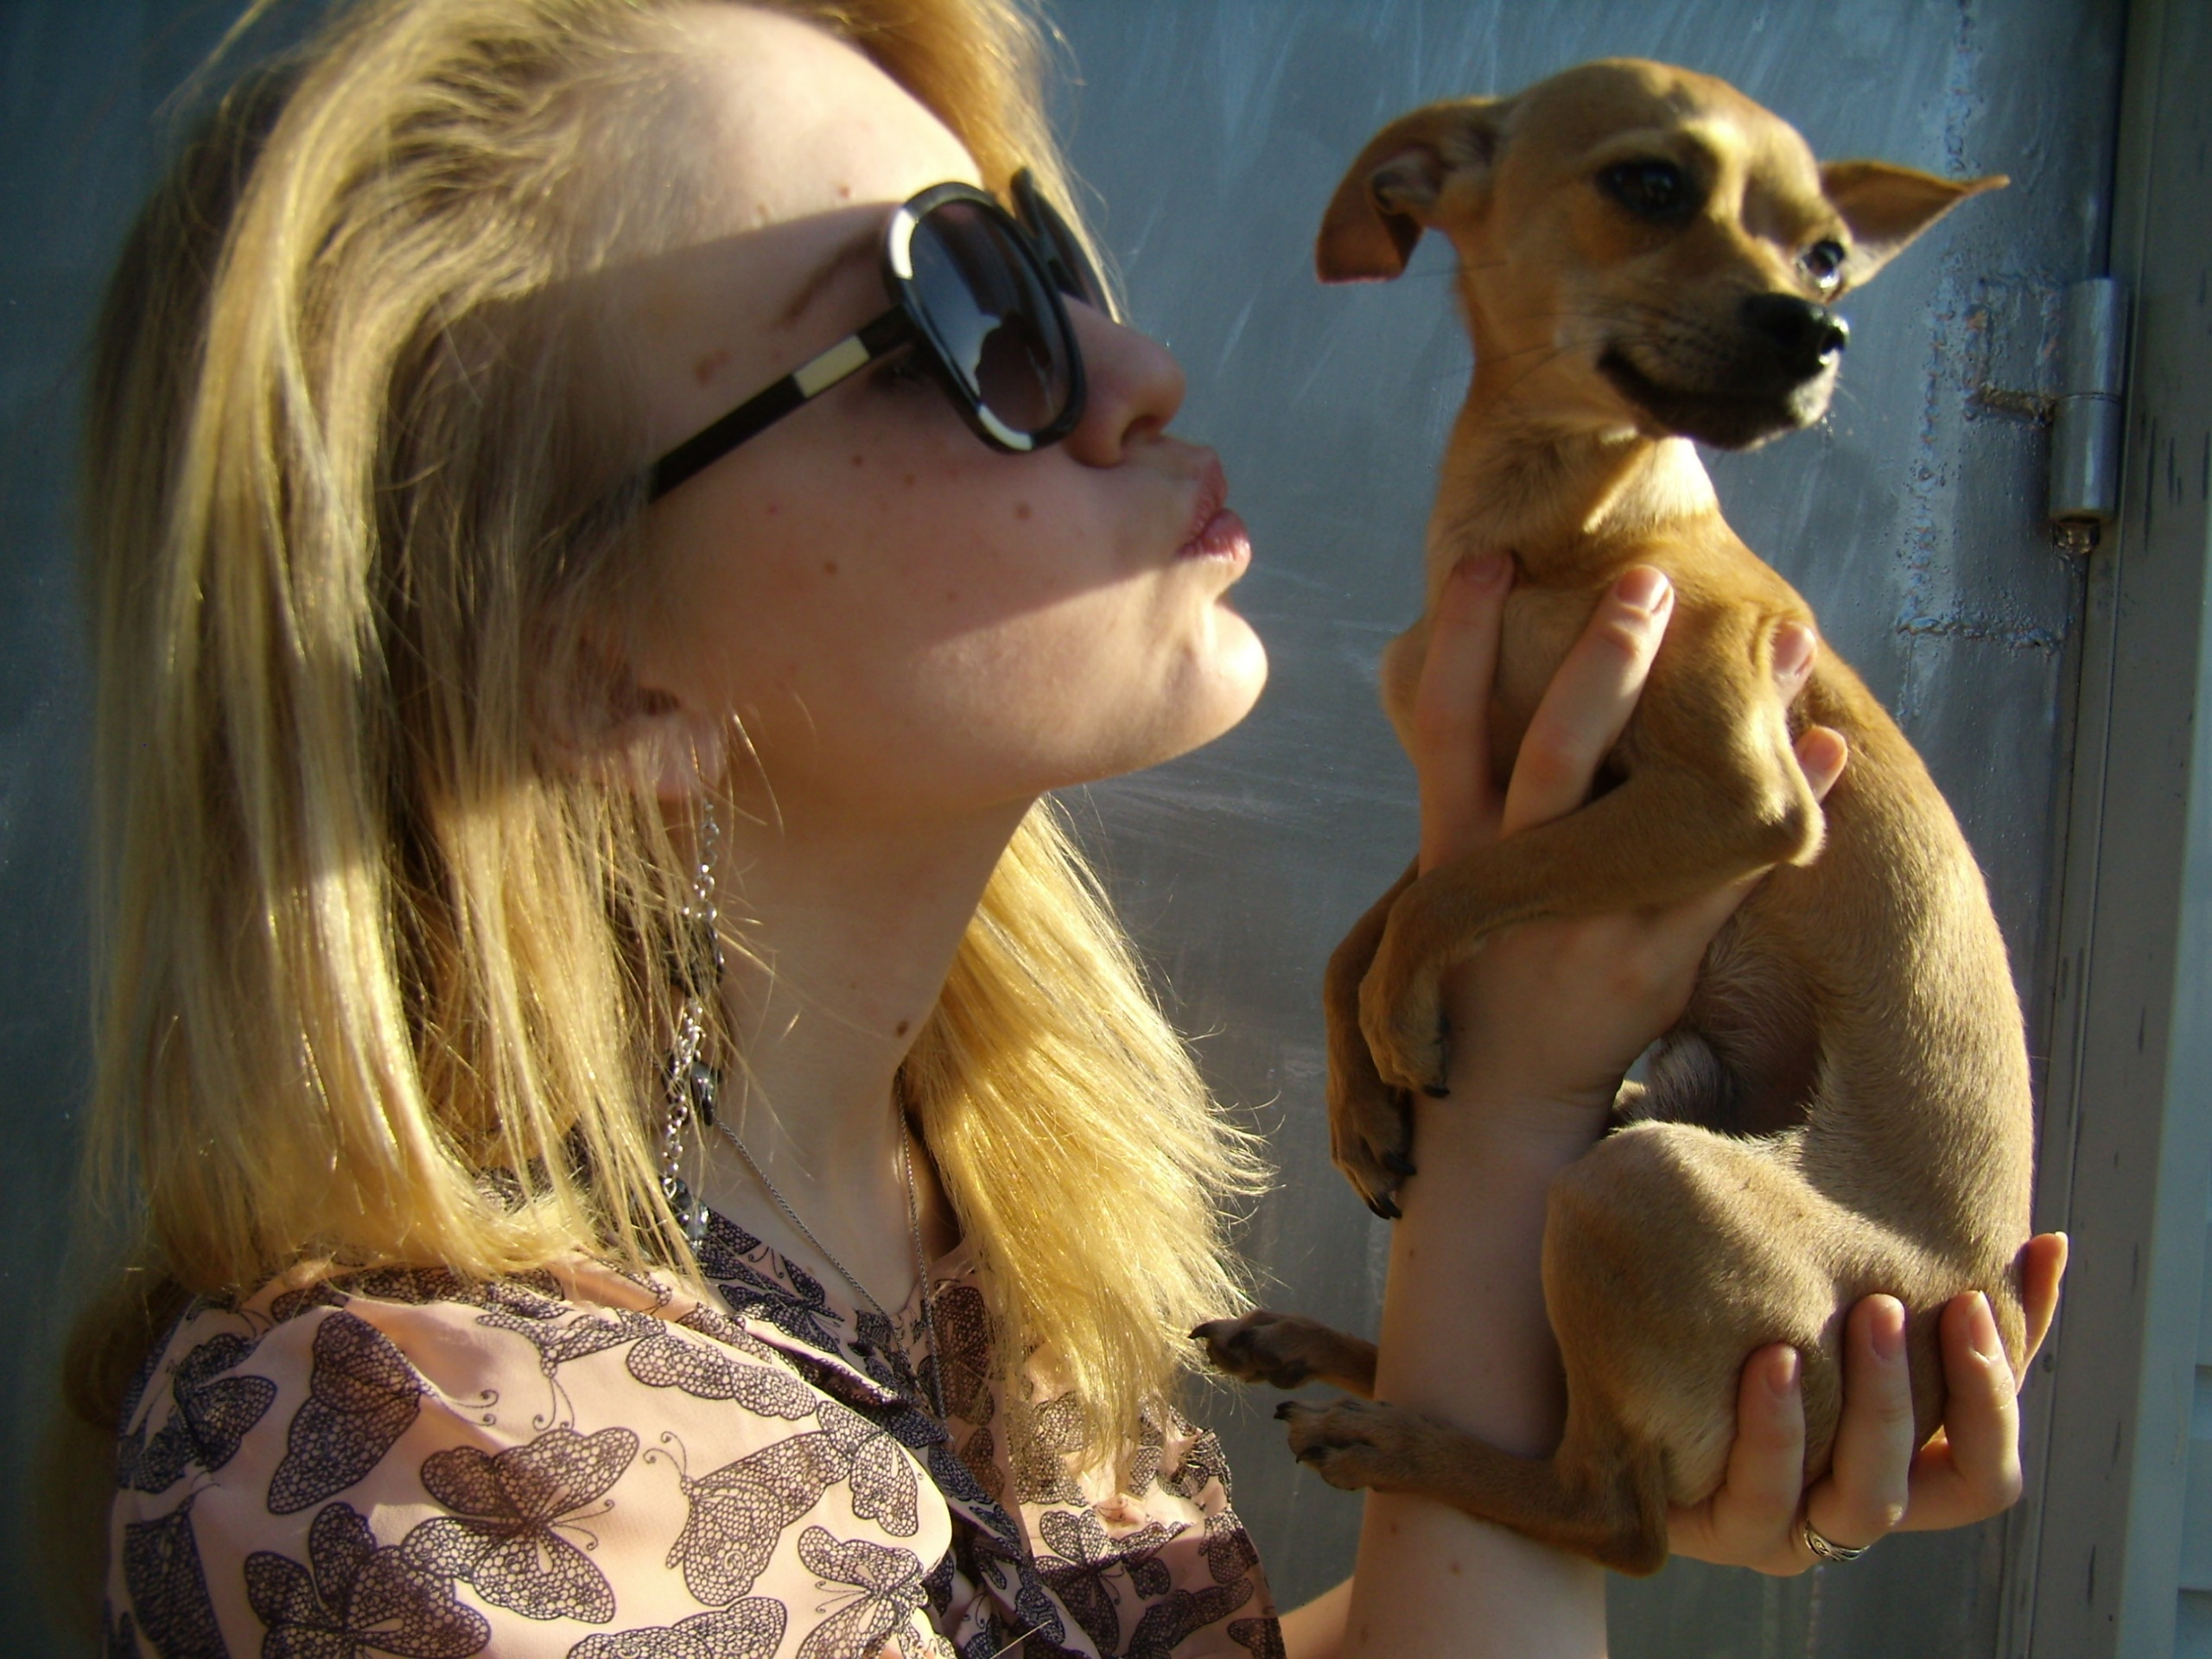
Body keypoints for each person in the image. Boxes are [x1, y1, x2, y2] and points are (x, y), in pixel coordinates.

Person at [66, 1, 2064, 1655]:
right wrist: (1515, 1130)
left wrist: (1569, 1425)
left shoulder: (965, 1211)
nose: (1139, 363)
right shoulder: (434, 1477)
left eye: (1054, 260)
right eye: (957, 313)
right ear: (589, 670)